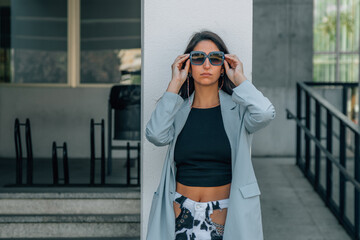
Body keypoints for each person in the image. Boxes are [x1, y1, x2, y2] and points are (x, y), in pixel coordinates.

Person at [145, 30, 276, 240]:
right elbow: (155, 135)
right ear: (188, 65)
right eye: (198, 58)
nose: (206, 65)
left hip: (224, 216)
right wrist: (174, 84)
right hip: (181, 213)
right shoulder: (176, 110)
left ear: (224, 67)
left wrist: (240, 78)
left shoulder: (239, 110)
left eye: (215, 59)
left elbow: (265, 113)